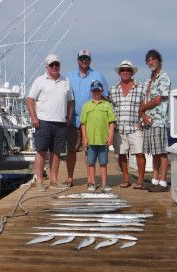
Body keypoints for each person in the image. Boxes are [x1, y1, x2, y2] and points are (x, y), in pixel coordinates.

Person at [26, 54, 73, 191]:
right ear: (46, 66)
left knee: (56, 152)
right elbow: (29, 100)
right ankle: (39, 180)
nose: (54, 67)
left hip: (60, 122)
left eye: (56, 64)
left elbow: (70, 102)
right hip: (43, 121)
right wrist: (34, 118)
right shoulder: (40, 81)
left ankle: (53, 180)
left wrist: (68, 119)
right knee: (41, 151)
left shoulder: (66, 81)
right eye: (52, 65)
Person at [66, 49, 109, 187]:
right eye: (82, 58)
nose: (84, 61)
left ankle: (90, 180)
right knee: (71, 150)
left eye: (87, 59)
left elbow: (106, 98)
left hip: (92, 121)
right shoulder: (69, 76)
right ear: (77, 60)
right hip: (73, 119)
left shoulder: (98, 75)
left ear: (90, 60)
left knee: (88, 150)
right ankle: (70, 178)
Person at [109, 60, 146, 189]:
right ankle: (126, 179)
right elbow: (110, 108)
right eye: (123, 70)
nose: (125, 72)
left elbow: (144, 106)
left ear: (132, 72)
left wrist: (141, 122)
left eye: (128, 70)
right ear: (119, 72)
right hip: (119, 128)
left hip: (135, 127)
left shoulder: (141, 87)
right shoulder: (113, 89)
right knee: (121, 154)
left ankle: (140, 180)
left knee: (140, 154)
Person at [140, 49, 171, 192]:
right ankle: (155, 179)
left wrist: (142, 110)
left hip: (158, 120)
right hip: (148, 122)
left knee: (162, 152)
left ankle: (163, 182)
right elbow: (143, 100)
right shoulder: (147, 80)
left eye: (153, 59)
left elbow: (158, 99)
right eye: (148, 60)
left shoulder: (164, 77)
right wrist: (143, 115)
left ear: (159, 61)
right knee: (154, 152)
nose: (151, 62)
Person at [81, 80, 115, 192]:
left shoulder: (107, 105)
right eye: (94, 91)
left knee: (103, 163)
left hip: (103, 140)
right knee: (91, 163)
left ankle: (104, 184)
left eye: (98, 91)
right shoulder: (86, 106)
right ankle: (92, 183)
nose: (96, 93)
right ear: (91, 92)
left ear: (102, 91)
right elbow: (83, 124)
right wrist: (84, 138)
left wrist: (110, 136)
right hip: (91, 140)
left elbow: (111, 122)